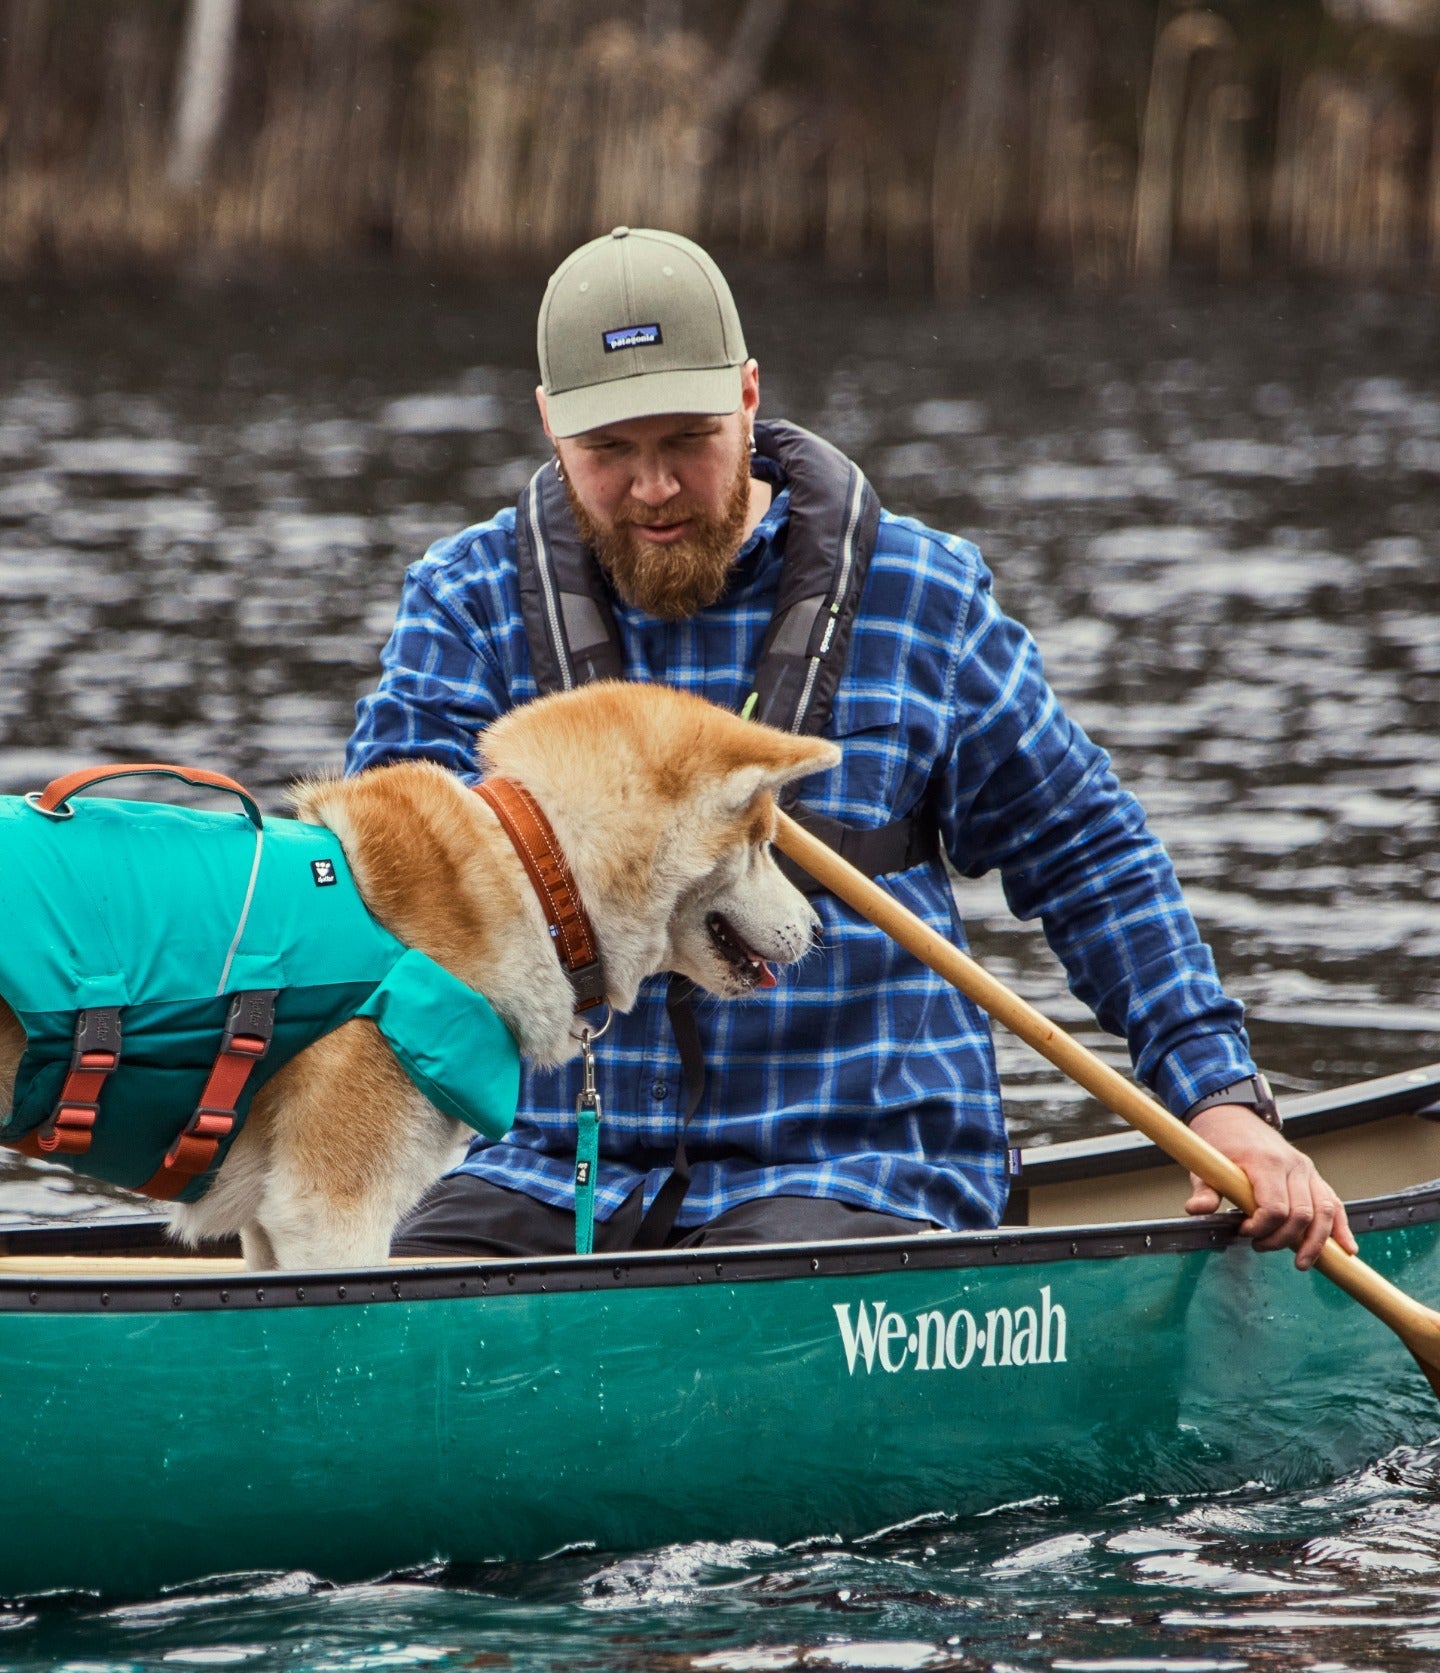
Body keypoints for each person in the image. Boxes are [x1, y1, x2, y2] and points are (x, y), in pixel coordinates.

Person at [346, 225, 1354, 1271]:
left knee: (750, 1314)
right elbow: (369, 893)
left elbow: (1085, 851)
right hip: (552, 1161)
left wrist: (1218, 1100)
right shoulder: (465, 602)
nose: (652, 489)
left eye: (684, 439)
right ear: (550, 427)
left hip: (853, 1165)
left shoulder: (917, 593)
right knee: (389, 1304)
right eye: (610, 453)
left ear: (745, 397)